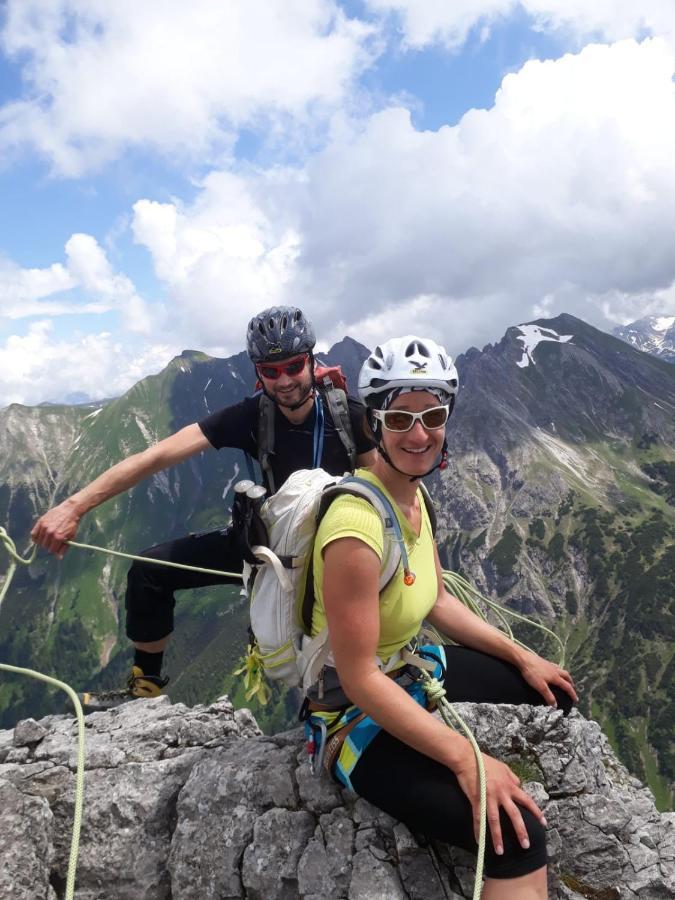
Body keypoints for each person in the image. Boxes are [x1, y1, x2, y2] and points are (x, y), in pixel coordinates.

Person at [308, 335, 577, 898]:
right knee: (518, 835)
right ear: (374, 424)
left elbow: (436, 602)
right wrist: (469, 761)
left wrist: (523, 657)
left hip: (408, 670)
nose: (418, 433)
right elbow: (358, 679)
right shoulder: (355, 528)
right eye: (400, 418)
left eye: (431, 416)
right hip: (352, 718)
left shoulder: (412, 496)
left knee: (555, 694)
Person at [31, 306, 376, 710]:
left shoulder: (347, 416)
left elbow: (381, 490)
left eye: (293, 366)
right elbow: (155, 457)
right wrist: (73, 507)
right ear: (258, 374)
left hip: (332, 551)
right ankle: (144, 689)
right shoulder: (252, 416)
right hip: (267, 549)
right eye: (271, 371)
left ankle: (360, 689)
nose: (283, 380)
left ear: (311, 361)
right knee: (149, 571)